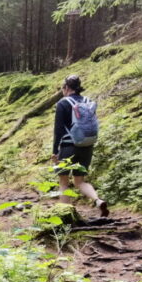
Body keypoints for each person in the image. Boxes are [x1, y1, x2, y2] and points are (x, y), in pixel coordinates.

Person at [52, 74, 109, 217]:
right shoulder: (88, 101)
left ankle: (65, 216)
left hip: (67, 147)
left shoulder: (63, 103)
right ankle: (97, 200)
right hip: (86, 145)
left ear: (66, 88)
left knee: (64, 182)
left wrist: (55, 151)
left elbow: (58, 130)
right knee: (80, 181)